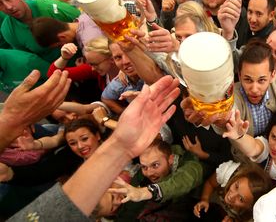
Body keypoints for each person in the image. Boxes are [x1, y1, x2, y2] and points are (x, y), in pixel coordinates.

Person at [8, 74, 181, 221]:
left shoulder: (119, 143)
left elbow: (94, 108)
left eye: (84, 138)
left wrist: (115, 134)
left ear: (97, 135)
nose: (80, 146)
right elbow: (44, 170)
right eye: (72, 143)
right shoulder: (69, 158)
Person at [182, 40, 276, 137]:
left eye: (262, 80)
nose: (254, 89)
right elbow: (228, 116)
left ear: (273, 75)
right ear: (239, 75)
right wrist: (220, 120)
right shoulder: (231, 93)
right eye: (248, 80)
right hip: (247, 159)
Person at [107, 138, 203, 221]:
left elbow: (180, 181)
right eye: (144, 167)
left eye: (155, 165)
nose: (149, 173)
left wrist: (147, 192)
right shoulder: (142, 174)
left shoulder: (189, 164)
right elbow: (131, 208)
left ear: (171, 159)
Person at [0, 0, 80, 62]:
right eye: (0, 4)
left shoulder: (51, 8)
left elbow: (88, 23)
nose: (8, 7)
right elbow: (29, 60)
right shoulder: (8, 31)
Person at [193, 160, 272, 221]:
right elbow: (210, 183)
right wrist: (205, 199)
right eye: (236, 186)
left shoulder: (255, 215)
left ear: (250, 207)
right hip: (213, 205)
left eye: (241, 199)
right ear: (238, 177)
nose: (232, 196)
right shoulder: (227, 172)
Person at [101, 43, 144, 115]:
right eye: (118, 57)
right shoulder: (121, 81)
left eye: (129, 53)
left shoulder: (160, 68)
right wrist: (124, 112)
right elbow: (105, 98)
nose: (125, 61)